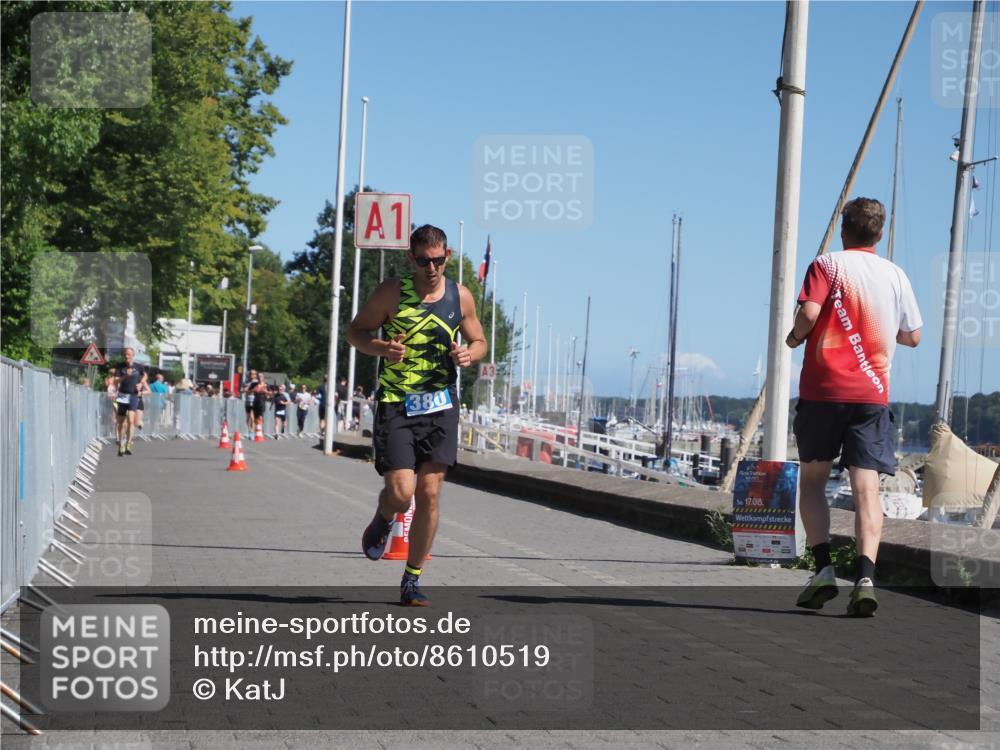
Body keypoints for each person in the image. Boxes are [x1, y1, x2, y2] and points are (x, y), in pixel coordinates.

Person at [787, 197, 921, 617]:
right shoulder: (896, 275)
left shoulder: (827, 265)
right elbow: (913, 336)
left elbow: (809, 313)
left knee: (812, 481)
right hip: (870, 395)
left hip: (823, 392)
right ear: (880, 235)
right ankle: (865, 578)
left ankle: (824, 570)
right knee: (868, 490)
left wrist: (794, 339)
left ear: (844, 229)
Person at [348, 224, 487, 606]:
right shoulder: (391, 292)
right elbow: (356, 332)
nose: (431, 268)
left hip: (441, 405)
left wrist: (469, 355)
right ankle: (384, 515)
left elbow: (479, 341)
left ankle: (412, 578)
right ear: (411, 258)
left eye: (438, 260)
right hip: (397, 402)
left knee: (429, 491)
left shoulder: (460, 297)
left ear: (448, 257)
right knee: (401, 492)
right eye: (424, 260)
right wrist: (380, 347)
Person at [113, 347, 148, 456]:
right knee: (121, 422)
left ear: (133, 355)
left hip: (133, 395)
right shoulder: (120, 367)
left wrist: (141, 383)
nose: (126, 356)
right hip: (123, 395)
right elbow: (116, 380)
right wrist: (126, 376)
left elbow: (145, 375)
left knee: (131, 420)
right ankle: (121, 444)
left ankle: (129, 443)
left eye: (128, 354)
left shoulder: (138, 366)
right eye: (125, 354)